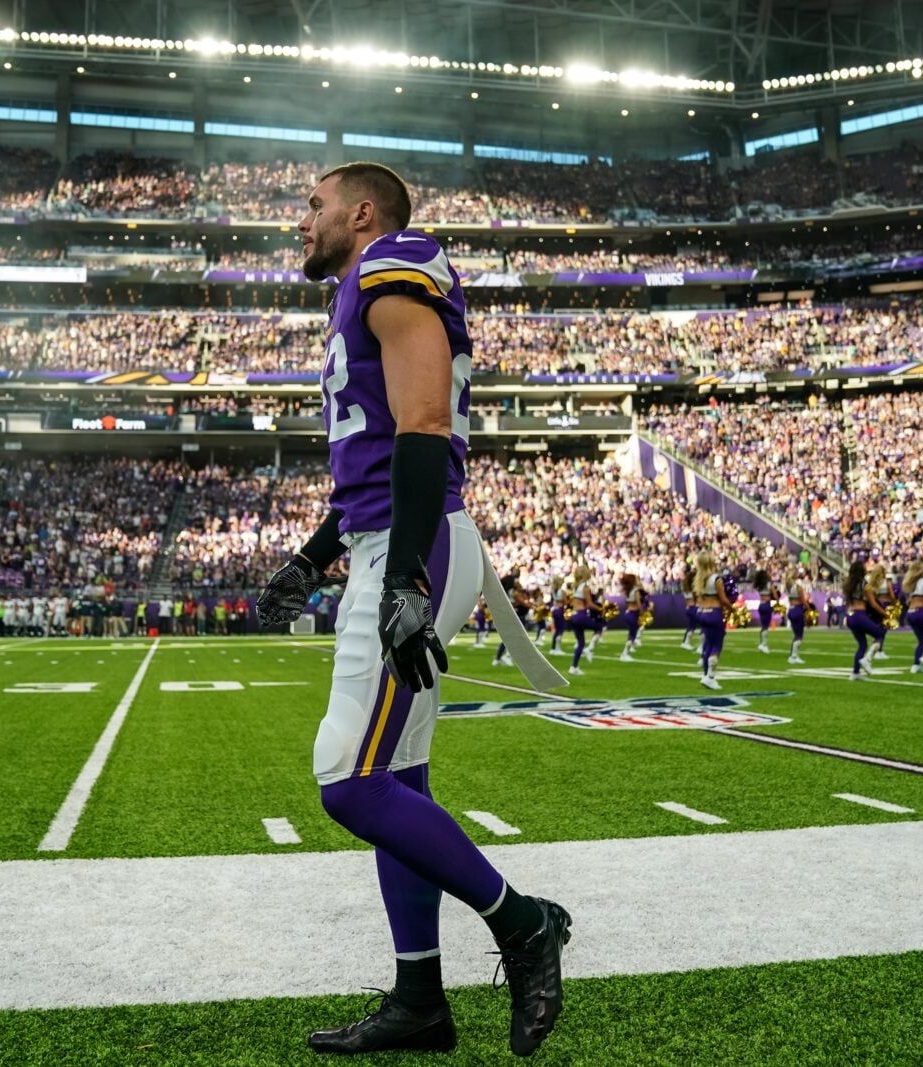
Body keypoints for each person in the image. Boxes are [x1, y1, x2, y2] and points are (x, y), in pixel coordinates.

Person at [257, 161, 569, 1057]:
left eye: (310, 204)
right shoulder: (363, 282)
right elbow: (381, 445)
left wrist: (402, 579)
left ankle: (524, 923)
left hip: (414, 543)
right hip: (388, 537)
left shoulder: (393, 266)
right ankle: (420, 998)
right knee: (398, 774)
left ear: (361, 213)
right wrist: (312, 558)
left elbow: (426, 423)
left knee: (348, 776)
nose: (300, 221)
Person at [693, 551, 731, 690]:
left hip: (701, 612)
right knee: (716, 645)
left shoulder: (698, 579)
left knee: (707, 645)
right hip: (714, 612)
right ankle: (710, 677)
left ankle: (705, 675)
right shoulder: (716, 579)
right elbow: (723, 599)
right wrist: (733, 609)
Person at [844, 560, 887, 681]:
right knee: (880, 634)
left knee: (862, 644)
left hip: (850, 616)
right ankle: (867, 659)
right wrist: (885, 614)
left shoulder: (848, 585)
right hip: (860, 615)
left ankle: (855, 673)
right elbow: (873, 604)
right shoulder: (865, 585)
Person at [562, 563, 599, 676]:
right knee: (600, 627)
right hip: (581, 615)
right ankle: (590, 648)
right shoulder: (585, 587)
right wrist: (601, 608)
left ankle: (573, 667)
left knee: (581, 642)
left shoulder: (576, 586)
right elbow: (589, 604)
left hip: (573, 615)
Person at [786, 565, 813, 665]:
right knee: (799, 636)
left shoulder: (788, 587)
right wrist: (809, 608)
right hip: (797, 610)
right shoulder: (798, 588)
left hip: (791, 610)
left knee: (796, 635)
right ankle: (793, 656)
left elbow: (789, 599)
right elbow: (803, 601)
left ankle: (793, 656)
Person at [619, 572, 645, 661]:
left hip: (627, 612)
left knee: (632, 634)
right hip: (633, 614)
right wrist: (642, 612)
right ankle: (625, 653)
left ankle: (626, 652)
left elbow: (626, 603)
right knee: (632, 635)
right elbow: (638, 604)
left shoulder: (627, 591)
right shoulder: (635, 591)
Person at [754, 567, 779, 655]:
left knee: (763, 626)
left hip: (761, 604)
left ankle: (762, 643)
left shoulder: (759, 585)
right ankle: (763, 644)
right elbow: (775, 596)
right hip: (767, 605)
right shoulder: (769, 584)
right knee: (766, 626)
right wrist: (777, 599)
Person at [679, 559, 699, 652]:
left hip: (688, 607)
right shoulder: (692, 589)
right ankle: (686, 642)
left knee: (691, 626)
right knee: (694, 627)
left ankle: (685, 642)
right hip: (694, 607)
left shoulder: (685, 586)